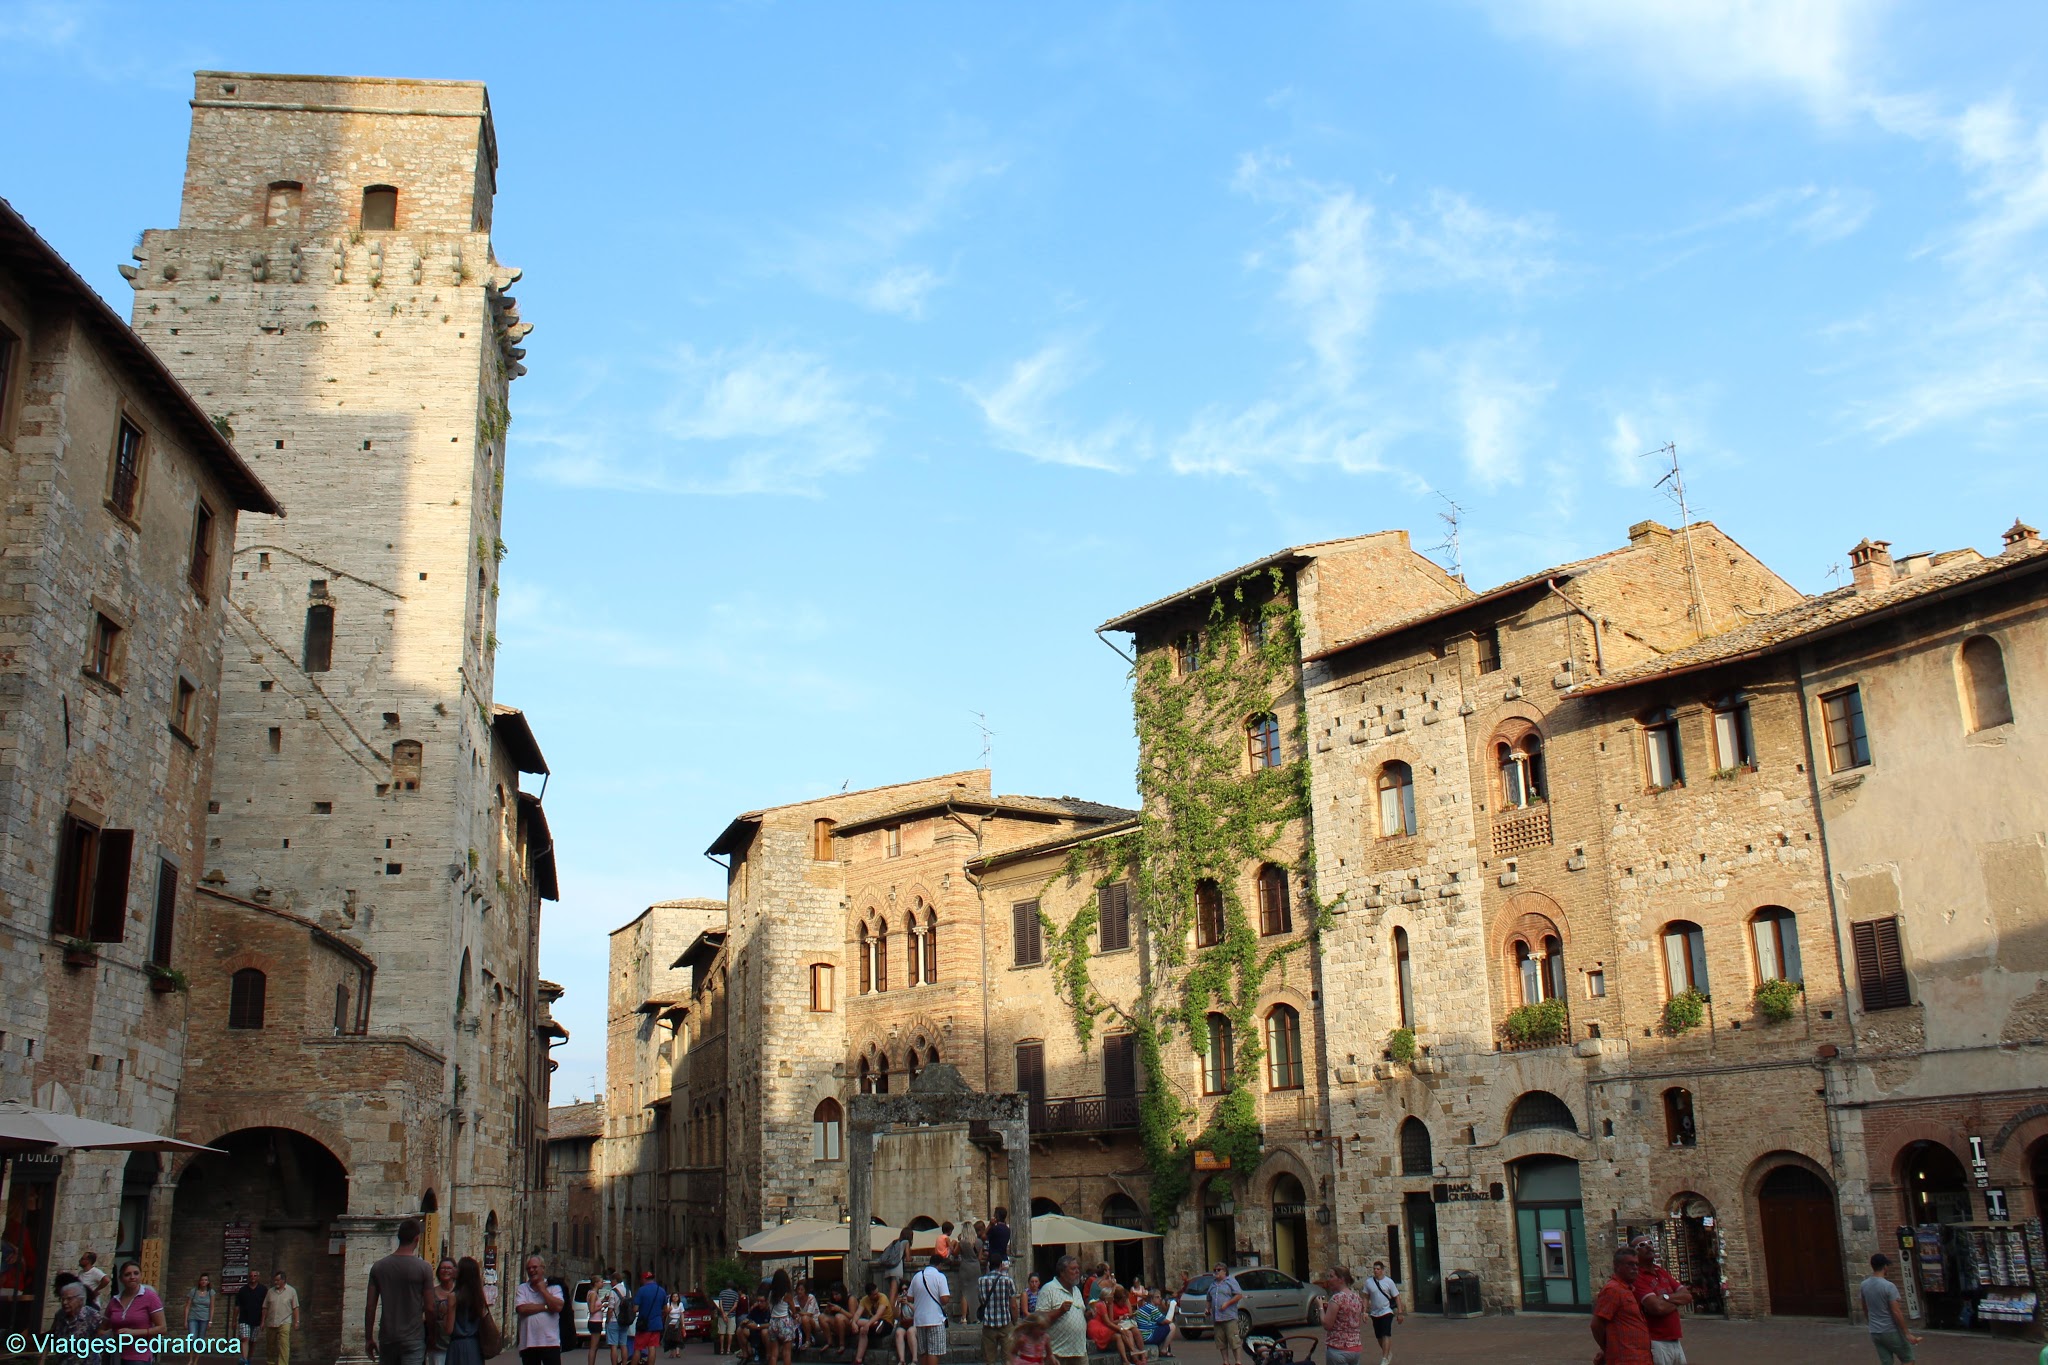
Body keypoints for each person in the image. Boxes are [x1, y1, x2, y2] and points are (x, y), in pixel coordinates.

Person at [367, 1217, 436, 1365]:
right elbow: (430, 1307)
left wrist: (368, 1338)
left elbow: (370, 1306)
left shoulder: (379, 1267)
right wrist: (432, 1335)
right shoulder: (424, 1268)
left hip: (388, 1336)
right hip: (414, 1336)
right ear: (417, 1239)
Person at [1631, 1238, 1692, 1365]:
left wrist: (1665, 1298)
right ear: (1635, 1253)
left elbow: (1687, 1296)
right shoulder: (1638, 1277)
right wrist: (1676, 1300)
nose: (1648, 1247)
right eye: (1642, 1245)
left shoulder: (1661, 1271)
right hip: (1656, 1342)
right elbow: (1657, 1308)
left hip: (1675, 1340)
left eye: (1650, 1243)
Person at [1591, 1249, 1652, 1365]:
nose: (1635, 1268)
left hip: (1640, 1358)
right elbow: (1596, 1324)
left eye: (1636, 1264)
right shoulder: (1613, 1289)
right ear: (1617, 1266)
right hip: (1625, 1358)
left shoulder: (1628, 1289)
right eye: (1630, 1264)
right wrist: (1606, 1348)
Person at [1861, 1254, 1924, 1365]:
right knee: (1908, 1359)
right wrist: (1907, 1333)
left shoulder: (1864, 1285)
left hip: (1875, 1331)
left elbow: (1865, 1307)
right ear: (1885, 1267)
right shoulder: (1889, 1286)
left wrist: (1871, 1322)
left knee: (1886, 1362)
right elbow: (1896, 1312)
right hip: (1890, 1330)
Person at [103, 1260, 167, 1364]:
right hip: (115, 1355)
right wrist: (111, 1334)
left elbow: (162, 1328)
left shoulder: (150, 1296)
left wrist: (133, 1333)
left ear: (141, 1276)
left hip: (139, 1355)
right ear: (121, 1278)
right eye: (127, 1274)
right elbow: (102, 1329)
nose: (132, 1277)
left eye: (136, 1273)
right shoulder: (114, 1301)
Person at [1036, 1256, 1089, 1365]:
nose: (1077, 1271)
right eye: (1073, 1269)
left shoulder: (1077, 1290)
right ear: (1062, 1272)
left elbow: (1081, 1314)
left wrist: (1089, 1315)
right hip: (1057, 1353)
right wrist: (1059, 1311)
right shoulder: (1048, 1289)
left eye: (1078, 1268)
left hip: (1079, 1351)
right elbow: (1038, 1319)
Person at [516, 1254, 565, 1365]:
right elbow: (522, 1308)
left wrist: (543, 1290)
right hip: (528, 1343)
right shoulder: (522, 1288)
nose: (531, 1270)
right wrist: (546, 1307)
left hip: (550, 1343)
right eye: (528, 1268)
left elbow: (558, 1307)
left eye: (534, 1267)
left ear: (543, 1268)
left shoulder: (554, 1287)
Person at [442, 1258, 489, 1365]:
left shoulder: (453, 1297)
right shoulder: (478, 1296)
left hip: (458, 1346)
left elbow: (448, 1329)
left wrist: (445, 1313)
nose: (454, 1269)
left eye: (457, 1267)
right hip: (475, 1346)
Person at [976, 1258, 1021, 1365]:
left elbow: (981, 1300)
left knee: (989, 1360)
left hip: (988, 1324)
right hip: (1005, 1322)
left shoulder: (981, 1281)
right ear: (1001, 1265)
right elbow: (1013, 1305)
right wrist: (1015, 1321)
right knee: (1008, 1359)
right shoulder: (1008, 1280)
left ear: (988, 1265)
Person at [909, 1253, 952, 1365]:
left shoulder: (917, 1276)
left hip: (920, 1319)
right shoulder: (940, 1276)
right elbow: (944, 1299)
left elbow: (910, 1297)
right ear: (940, 1265)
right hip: (935, 1319)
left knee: (923, 1351)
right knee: (934, 1352)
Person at [1361, 1261, 1402, 1365]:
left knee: (1386, 1334)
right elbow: (1365, 1297)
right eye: (1374, 1269)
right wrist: (1364, 1311)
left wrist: (1400, 1313)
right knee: (1379, 1336)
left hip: (1387, 1311)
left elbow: (1397, 1297)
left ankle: (1384, 1358)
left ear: (1382, 1270)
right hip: (1375, 1313)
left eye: (1378, 1269)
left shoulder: (1389, 1282)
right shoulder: (1369, 1282)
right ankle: (1387, 1352)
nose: (1376, 1271)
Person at [1320, 1269, 1363, 1365]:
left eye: (1331, 1276)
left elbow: (1327, 1325)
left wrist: (1320, 1308)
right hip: (1355, 1348)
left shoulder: (1337, 1298)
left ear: (1341, 1279)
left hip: (1338, 1348)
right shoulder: (1357, 1298)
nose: (1329, 1280)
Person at [1205, 1264, 1245, 1365]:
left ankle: (1238, 1361)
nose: (1216, 1272)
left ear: (1224, 1271)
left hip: (1229, 1317)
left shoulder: (1230, 1281)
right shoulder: (1213, 1285)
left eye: (1219, 1270)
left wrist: (1227, 1304)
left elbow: (1239, 1295)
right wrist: (1207, 1309)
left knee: (1234, 1340)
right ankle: (1225, 1362)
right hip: (1217, 1318)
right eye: (1215, 1270)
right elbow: (1209, 1298)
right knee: (1221, 1342)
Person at [264, 1269, 302, 1365]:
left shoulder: (291, 1291)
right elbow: (265, 1307)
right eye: (275, 1280)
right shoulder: (270, 1292)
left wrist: (297, 1321)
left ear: (283, 1280)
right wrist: (262, 1321)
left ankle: (283, 1363)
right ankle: (270, 1362)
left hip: (285, 1321)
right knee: (270, 1345)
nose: (275, 1282)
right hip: (271, 1321)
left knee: (284, 1344)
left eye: (277, 1280)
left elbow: (295, 1307)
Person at [852, 1282, 894, 1365]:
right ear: (869, 1295)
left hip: (886, 1323)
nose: (877, 1295)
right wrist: (853, 1323)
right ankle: (858, 1359)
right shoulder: (864, 1300)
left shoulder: (883, 1297)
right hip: (873, 1323)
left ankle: (875, 1325)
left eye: (877, 1292)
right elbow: (857, 1313)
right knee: (862, 1330)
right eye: (874, 1294)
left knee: (867, 1325)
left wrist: (867, 1325)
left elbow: (879, 1314)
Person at [632, 1272, 667, 1365]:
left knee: (638, 1348)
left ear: (644, 1279)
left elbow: (635, 1308)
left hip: (644, 1324)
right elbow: (666, 1309)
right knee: (652, 1347)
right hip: (657, 1323)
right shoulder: (661, 1290)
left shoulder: (641, 1290)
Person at [764, 1270, 798, 1365]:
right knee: (786, 1352)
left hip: (773, 1322)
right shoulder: (787, 1295)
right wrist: (795, 1316)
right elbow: (793, 1310)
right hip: (784, 1322)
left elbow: (768, 1307)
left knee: (774, 1353)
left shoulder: (771, 1294)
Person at [427, 1260, 457, 1365]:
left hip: (456, 1344)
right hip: (437, 1345)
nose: (445, 1271)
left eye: (449, 1268)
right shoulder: (431, 1293)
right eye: (443, 1268)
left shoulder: (460, 1293)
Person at [234, 1274, 268, 1365]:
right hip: (244, 1318)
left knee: (253, 1341)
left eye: (255, 1276)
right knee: (245, 1338)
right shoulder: (243, 1290)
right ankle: (244, 1360)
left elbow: (265, 1307)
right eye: (251, 1276)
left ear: (258, 1277)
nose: (253, 1277)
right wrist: (234, 1320)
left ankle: (248, 1359)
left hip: (256, 1319)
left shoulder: (263, 1290)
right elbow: (237, 1306)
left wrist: (263, 1321)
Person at [1129, 1287, 1171, 1359]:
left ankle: (1163, 1348)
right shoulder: (1152, 1309)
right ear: (1152, 1299)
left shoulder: (1145, 1307)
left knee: (1163, 1326)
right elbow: (1167, 1320)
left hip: (1143, 1336)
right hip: (1149, 1336)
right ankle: (1164, 1350)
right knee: (1172, 1326)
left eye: (1160, 1297)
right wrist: (1172, 1307)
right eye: (1157, 1297)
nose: (1160, 1298)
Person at [890, 1285, 917, 1365]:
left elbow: (918, 1312)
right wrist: (897, 1304)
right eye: (902, 1290)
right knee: (898, 1332)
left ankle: (914, 1360)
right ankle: (902, 1360)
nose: (904, 1292)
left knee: (910, 1332)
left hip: (915, 1323)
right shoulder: (900, 1302)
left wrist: (908, 1303)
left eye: (906, 1289)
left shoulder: (915, 1299)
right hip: (904, 1324)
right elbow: (896, 1315)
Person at [185, 1272, 216, 1341]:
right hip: (193, 1317)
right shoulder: (193, 1291)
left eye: (205, 1280)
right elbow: (187, 1306)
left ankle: (198, 1351)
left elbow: (212, 1307)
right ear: (199, 1281)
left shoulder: (211, 1292)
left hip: (204, 1318)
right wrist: (185, 1320)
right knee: (192, 1336)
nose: (203, 1282)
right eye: (202, 1280)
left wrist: (210, 1321)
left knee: (201, 1337)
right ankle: (191, 1350)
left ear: (208, 1282)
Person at [711, 1280, 737, 1357]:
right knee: (730, 1333)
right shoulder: (735, 1294)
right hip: (731, 1315)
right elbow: (735, 1306)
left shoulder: (722, 1293)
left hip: (721, 1315)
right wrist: (728, 1313)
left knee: (722, 1333)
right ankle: (728, 1350)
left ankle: (721, 1349)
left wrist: (723, 1313)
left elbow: (720, 1304)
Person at [664, 1288, 685, 1358]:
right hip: (670, 1323)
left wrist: (683, 1324)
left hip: (677, 1323)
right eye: (673, 1296)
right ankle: (672, 1353)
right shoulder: (668, 1304)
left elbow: (682, 1314)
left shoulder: (681, 1304)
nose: (675, 1298)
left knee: (678, 1338)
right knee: (671, 1338)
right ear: (671, 1298)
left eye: (676, 1296)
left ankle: (677, 1352)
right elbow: (666, 1314)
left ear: (678, 1298)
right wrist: (668, 1310)